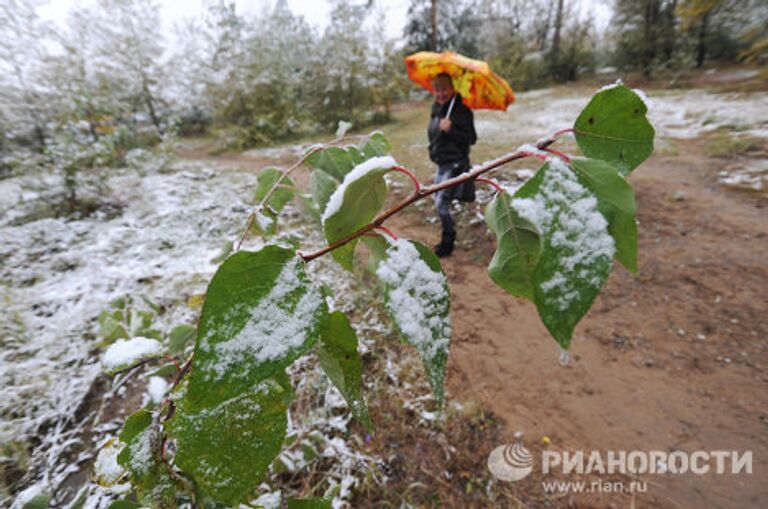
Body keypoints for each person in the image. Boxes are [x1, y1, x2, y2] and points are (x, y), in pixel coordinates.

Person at [427, 72, 477, 257]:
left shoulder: (462, 111)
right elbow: (435, 135)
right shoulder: (437, 110)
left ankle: (447, 243)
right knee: (438, 201)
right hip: (441, 163)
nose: (441, 93)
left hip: (455, 162)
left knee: (441, 203)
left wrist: (451, 129)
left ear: (452, 88)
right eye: (437, 89)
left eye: (444, 89)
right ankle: (448, 235)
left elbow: (471, 139)